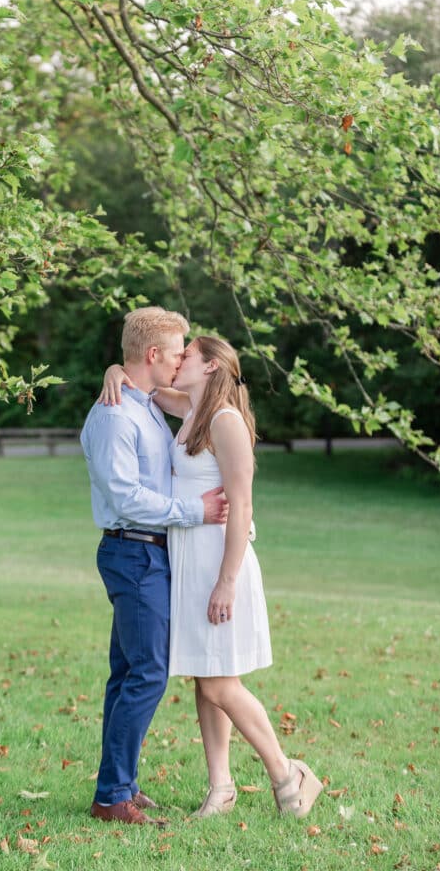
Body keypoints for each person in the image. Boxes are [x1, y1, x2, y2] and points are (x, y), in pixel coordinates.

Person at [100, 335, 323, 819]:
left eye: (188, 356)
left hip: (221, 564)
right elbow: (144, 387)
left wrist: (227, 580)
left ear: (211, 367)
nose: (178, 361)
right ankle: (221, 786)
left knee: (221, 684)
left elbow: (242, 505)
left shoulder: (226, 421)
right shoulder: (193, 410)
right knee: (206, 679)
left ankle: (288, 775)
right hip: (190, 561)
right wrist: (115, 371)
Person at [80, 309, 229, 826]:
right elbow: (126, 496)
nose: (181, 358)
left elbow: (208, 397)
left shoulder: (141, 404)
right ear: (152, 355)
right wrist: (197, 511)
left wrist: (114, 370)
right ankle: (111, 796)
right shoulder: (116, 416)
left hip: (148, 552)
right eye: (176, 351)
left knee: (128, 674)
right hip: (134, 551)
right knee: (146, 674)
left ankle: (119, 786)